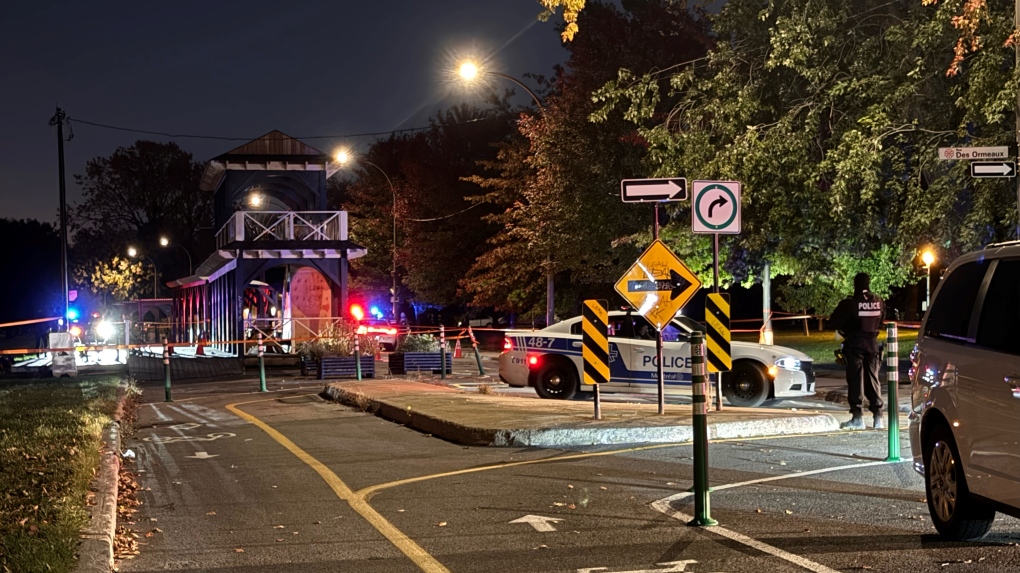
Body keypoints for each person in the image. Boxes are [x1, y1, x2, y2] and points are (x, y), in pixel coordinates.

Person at [830, 272, 885, 430]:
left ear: (855, 284)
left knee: (855, 380)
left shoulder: (850, 303)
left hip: (854, 343)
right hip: (873, 343)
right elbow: (881, 320)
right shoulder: (879, 301)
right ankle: (878, 417)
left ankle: (857, 417)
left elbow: (835, 321)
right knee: (873, 379)